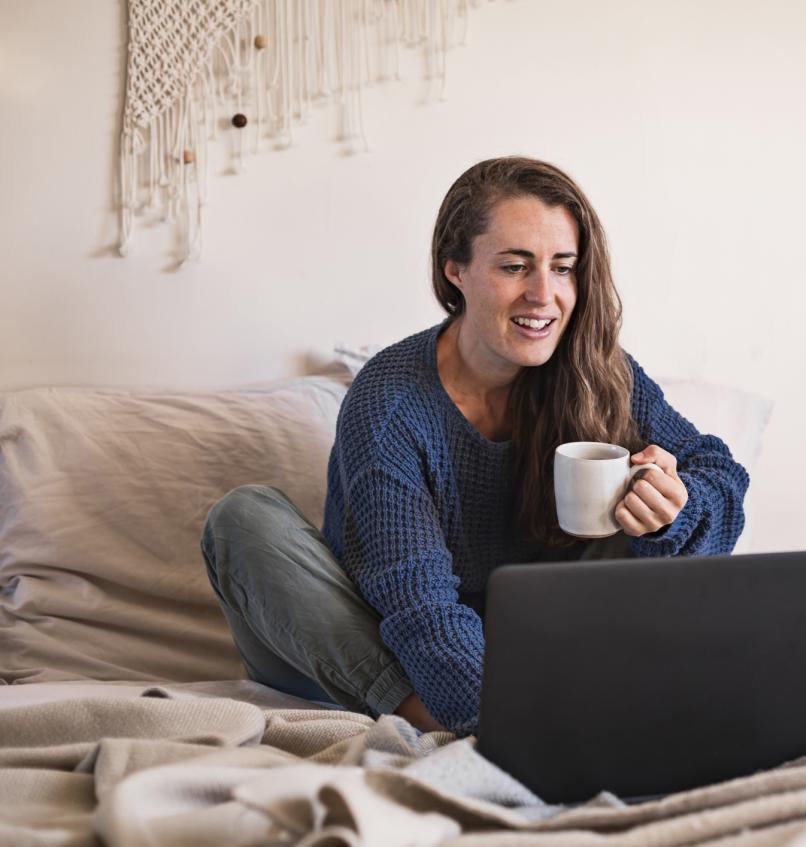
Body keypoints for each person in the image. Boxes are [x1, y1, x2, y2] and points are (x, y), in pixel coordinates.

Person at [201, 156, 750, 736]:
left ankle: (516, 694)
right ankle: (421, 714)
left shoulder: (596, 369)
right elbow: (417, 604)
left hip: (532, 642)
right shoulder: (390, 400)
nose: (544, 295)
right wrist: (501, 718)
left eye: (562, 268)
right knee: (242, 520)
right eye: (515, 266)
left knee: (643, 529)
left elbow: (720, 476)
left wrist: (676, 506)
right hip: (380, 642)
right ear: (455, 271)